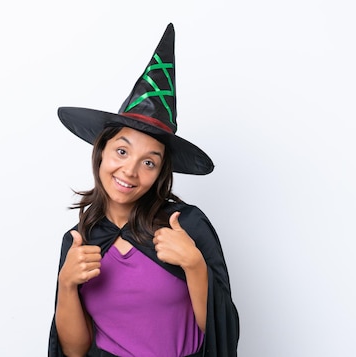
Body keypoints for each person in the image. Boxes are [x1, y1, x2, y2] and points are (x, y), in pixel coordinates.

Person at [48, 23, 239, 357]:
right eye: (122, 152)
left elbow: (221, 334)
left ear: (161, 172)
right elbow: (74, 351)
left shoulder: (187, 225)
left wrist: (194, 264)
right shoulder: (79, 240)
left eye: (148, 162)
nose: (130, 171)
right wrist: (67, 283)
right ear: (102, 150)